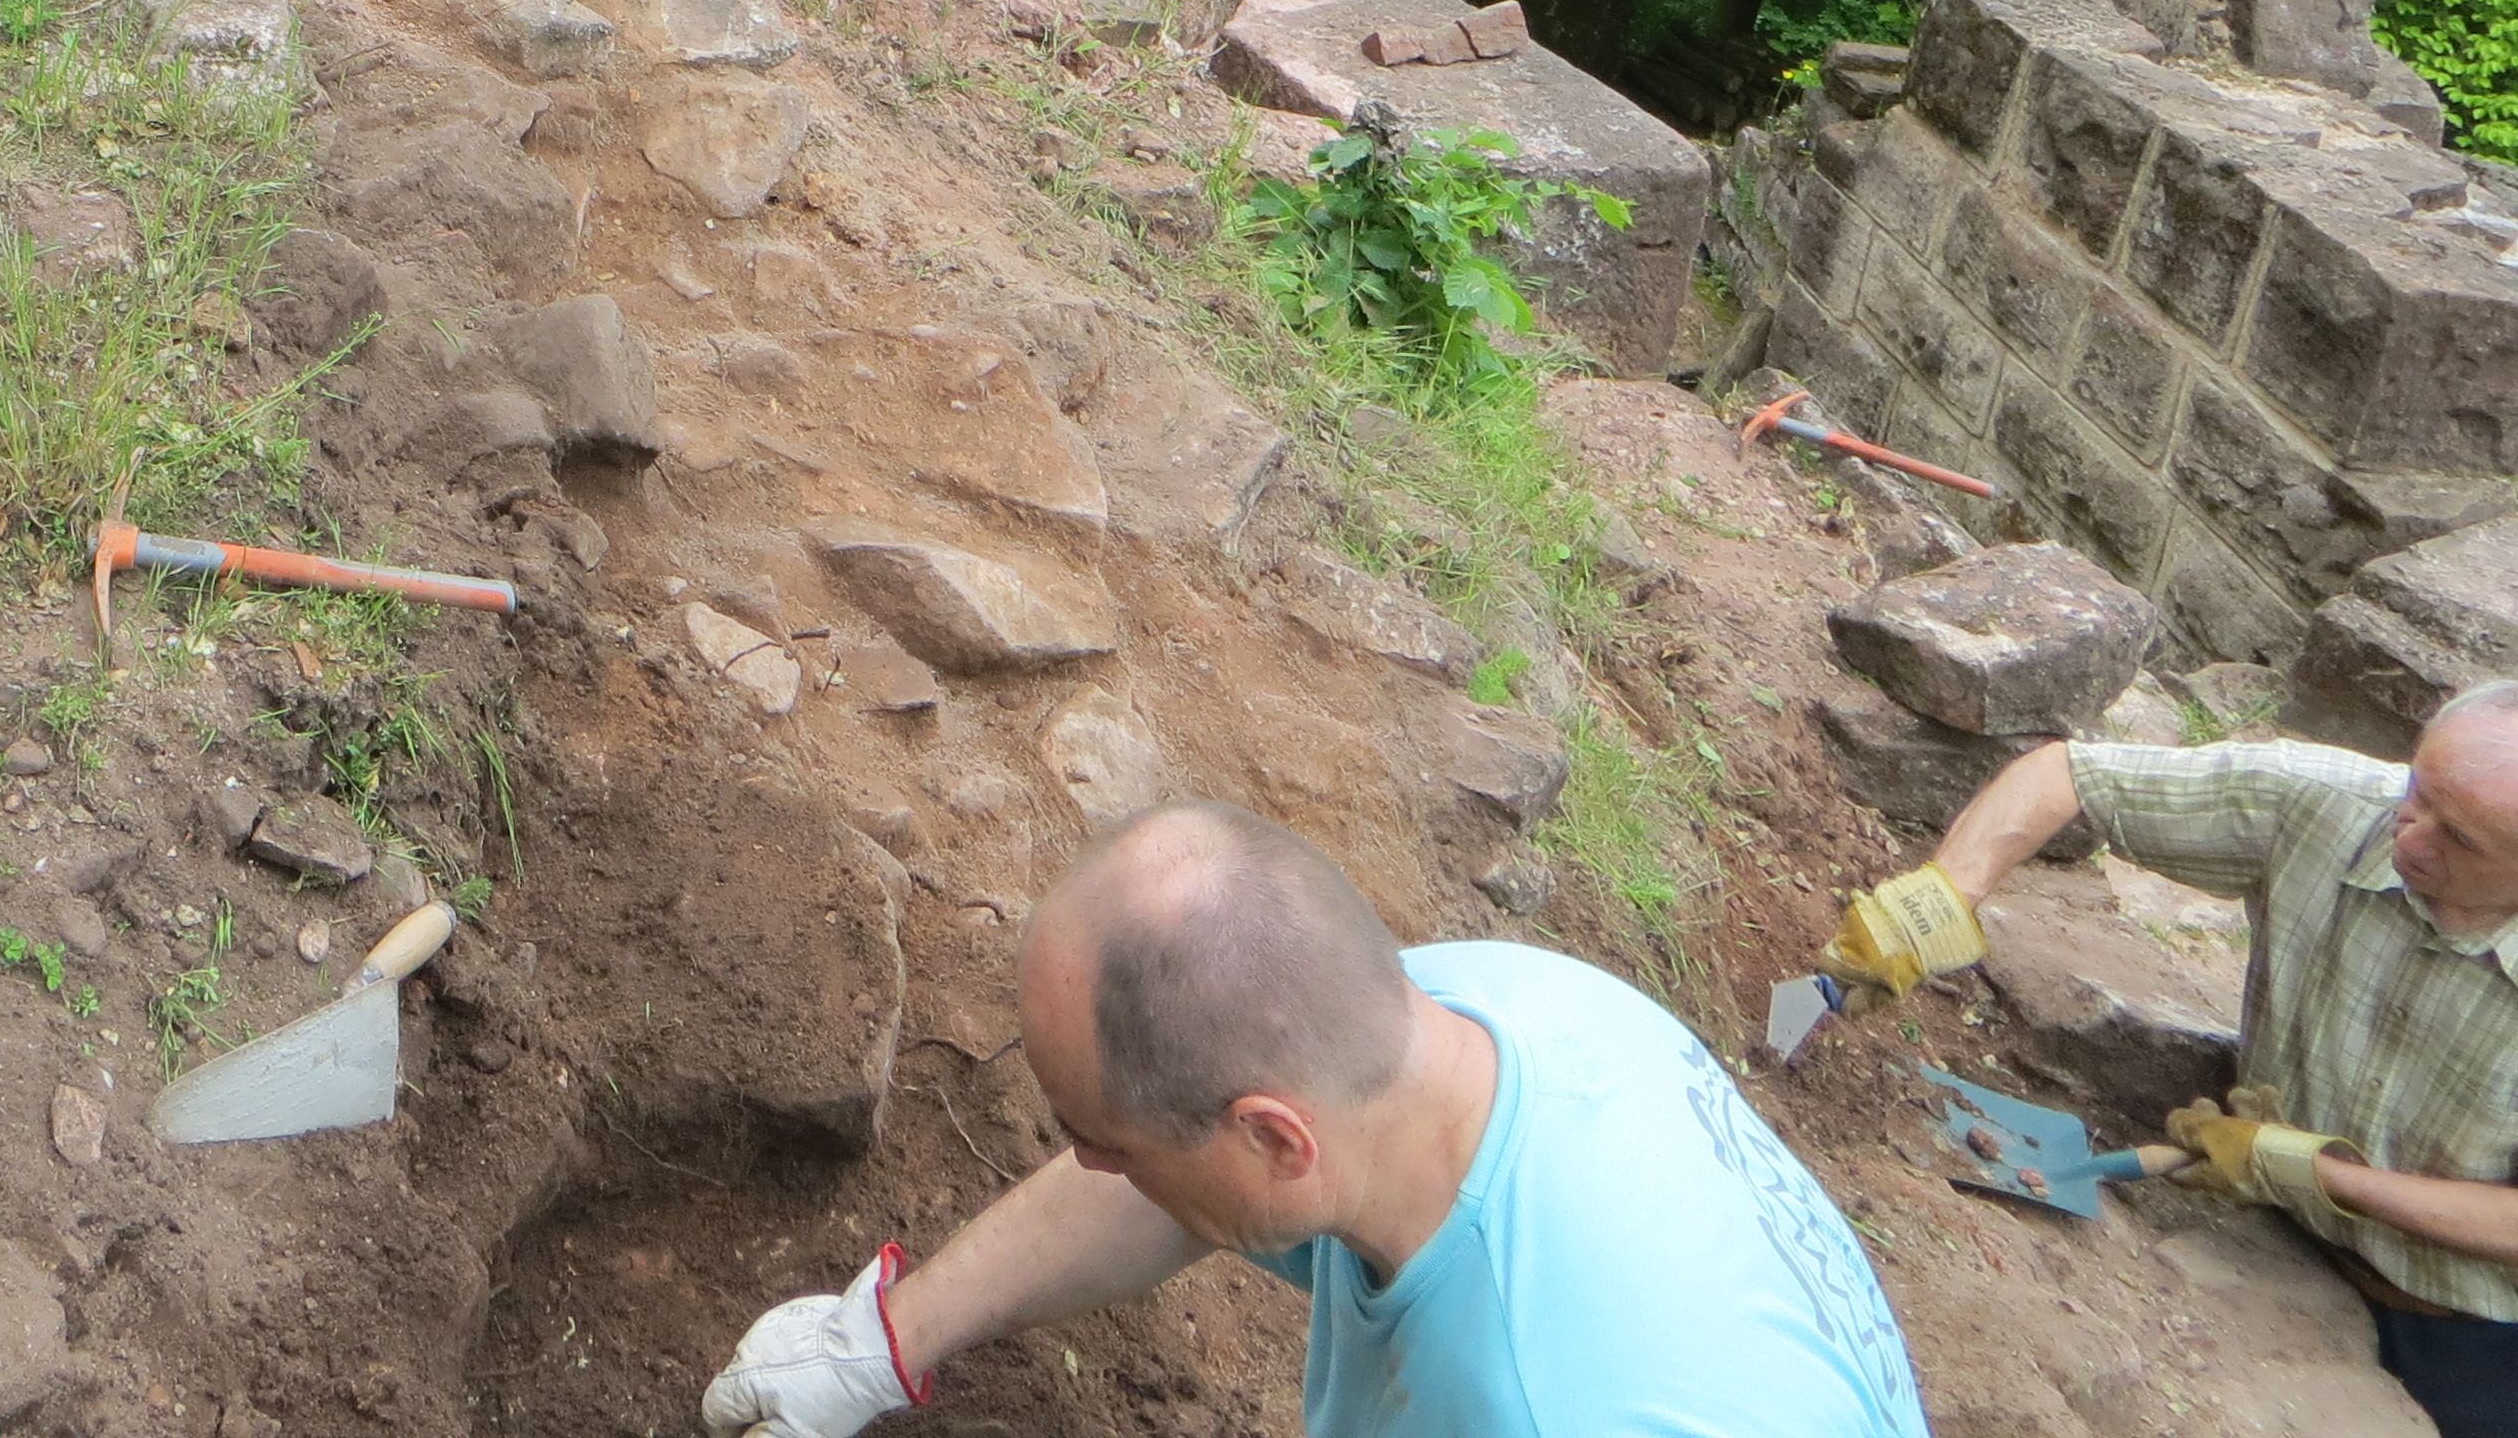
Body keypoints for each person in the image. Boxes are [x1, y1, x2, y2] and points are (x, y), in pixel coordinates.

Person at [705, 801, 1928, 1437]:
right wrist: (884, 1340)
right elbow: (1163, 1171)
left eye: (1108, 1146)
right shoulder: (1479, 1005)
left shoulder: (1541, 1398)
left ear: (1274, 1141)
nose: (1086, 1165)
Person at [1830, 677, 2518, 1434]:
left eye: (2460, 839)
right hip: (2281, 1246)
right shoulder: (2332, 805)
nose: (2408, 839)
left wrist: (2312, 1171)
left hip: (2477, 1323)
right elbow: (2068, 775)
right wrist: (1941, 899)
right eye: (2418, 794)